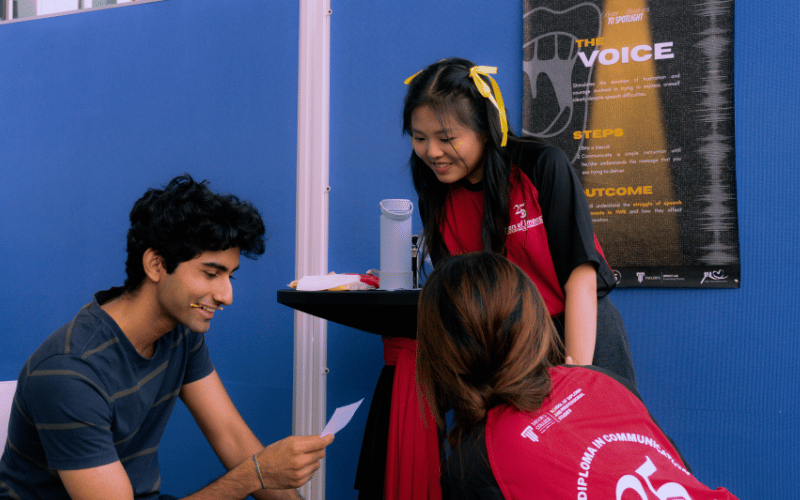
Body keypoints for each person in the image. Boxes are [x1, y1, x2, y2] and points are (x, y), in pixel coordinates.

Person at [355, 57, 635, 500]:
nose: (432, 153)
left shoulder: (542, 165)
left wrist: (576, 378)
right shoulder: (434, 188)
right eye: (420, 138)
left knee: (596, 472)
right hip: (500, 352)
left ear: (486, 128)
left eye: (447, 138)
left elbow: (580, 276)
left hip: (575, 332)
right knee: (509, 477)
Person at [0, 175, 333, 500]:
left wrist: (265, 475)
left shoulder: (180, 333)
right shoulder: (70, 373)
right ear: (156, 265)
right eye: (211, 273)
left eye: (229, 276)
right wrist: (254, 475)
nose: (226, 295)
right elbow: (255, 469)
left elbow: (232, 437)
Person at [416, 252, 739, 500]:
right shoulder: (601, 379)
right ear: (534, 322)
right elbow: (680, 471)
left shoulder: (471, 466)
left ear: (440, 351)